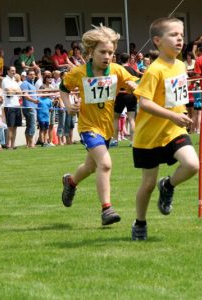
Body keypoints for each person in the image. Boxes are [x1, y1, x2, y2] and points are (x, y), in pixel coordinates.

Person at [60, 24, 138, 226]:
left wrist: (132, 86)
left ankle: (70, 182)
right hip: (88, 128)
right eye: (102, 52)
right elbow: (63, 89)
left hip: (106, 129)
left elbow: (133, 83)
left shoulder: (117, 70)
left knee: (89, 166)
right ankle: (106, 209)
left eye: (111, 52)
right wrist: (69, 106)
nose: (107, 56)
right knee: (105, 164)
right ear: (90, 52)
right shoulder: (78, 73)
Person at [131, 17, 199, 240]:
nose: (179, 38)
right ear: (158, 41)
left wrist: (183, 115)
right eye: (173, 35)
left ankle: (168, 186)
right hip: (148, 137)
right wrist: (172, 115)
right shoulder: (154, 70)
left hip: (174, 131)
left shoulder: (180, 66)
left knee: (192, 165)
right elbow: (145, 103)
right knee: (148, 185)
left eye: (181, 34)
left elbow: (176, 98)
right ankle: (140, 222)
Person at [110, 52, 139, 147]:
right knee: (131, 119)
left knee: (116, 118)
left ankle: (114, 140)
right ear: (128, 60)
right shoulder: (132, 69)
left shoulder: (117, 69)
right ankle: (133, 141)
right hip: (130, 95)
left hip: (119, 95)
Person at [1, 66, 22, 149]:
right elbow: (9, 92)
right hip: (9, 106)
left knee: (15, 126)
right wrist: (15, 91)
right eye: (12, 70)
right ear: (8, 71)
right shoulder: (5, 80)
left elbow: (20, 92)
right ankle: (8, 145)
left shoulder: (15, 81)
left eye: (15, 70)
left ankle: (13, 145)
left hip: (16, 105)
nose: (14, 72)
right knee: (10, 126)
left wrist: (14, 91)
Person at [20, 69, 39, 148]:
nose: (32, 76)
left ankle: (28, 144)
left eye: (33, 74)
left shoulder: (33, 84)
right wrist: (34, 101)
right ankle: (31, 144)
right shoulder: (25, 83)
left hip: (33, 106)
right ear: (27, 75)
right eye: (30, 74)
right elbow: (25, 95)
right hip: (29, 107)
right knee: (32, 125)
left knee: (29, 125)